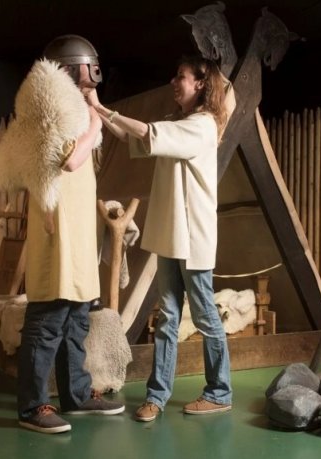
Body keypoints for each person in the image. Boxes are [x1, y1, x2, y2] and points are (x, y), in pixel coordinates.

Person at [87, 56, 232, 422]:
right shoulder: (178, 123)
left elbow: (145, 132)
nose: (173, 81)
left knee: (205, 317)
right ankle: (156, 397)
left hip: (193, 239)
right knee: (167, 317)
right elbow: (133, 135)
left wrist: (103, 107)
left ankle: (219, 392)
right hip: (170, 237)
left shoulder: (202, 125)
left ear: (199, 84)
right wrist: (98, 111)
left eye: (180, 76)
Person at [17, 34, 124, 435]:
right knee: (48, 321)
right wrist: (96, 116)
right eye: (88, 70)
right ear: (72, 69)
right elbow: (72, 159)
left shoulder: (76, 111)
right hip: (55, 233)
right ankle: (32, 406)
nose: (93, 78)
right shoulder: (46, 106)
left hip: (78, 235)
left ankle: (76, 395)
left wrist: (94, 113)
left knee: (77, 319)